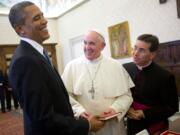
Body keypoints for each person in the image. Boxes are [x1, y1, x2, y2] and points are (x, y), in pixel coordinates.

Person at [8, 1, 104, 135]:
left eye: (42, 15)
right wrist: (86, 125)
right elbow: (43, 118)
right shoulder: (25, 61)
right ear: (20, 29)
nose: (45, 21)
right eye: (37, 18)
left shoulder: (37, 54)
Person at [62, 30, 134, 135]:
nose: (87, 47)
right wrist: (80, 111)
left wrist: (115, 109)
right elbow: (65, 95)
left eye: (92, 43)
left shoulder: (115, 66)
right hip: (84, 125)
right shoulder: (71, 66)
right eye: (85, 42)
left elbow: (126, 96)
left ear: (102, 46)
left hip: (111, 126)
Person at [123, 34, 179, 135]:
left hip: (154, 125)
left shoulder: (165, 76)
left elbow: (172, 107)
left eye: (141, 50)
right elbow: (120, 94)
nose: (135, 53)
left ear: (152, 55)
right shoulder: (125, 68)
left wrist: (144, 113)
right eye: (135, 48)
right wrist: (127, 109)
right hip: (132, 124)